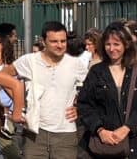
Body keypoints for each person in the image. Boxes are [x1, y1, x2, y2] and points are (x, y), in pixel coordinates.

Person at [76, 24, 137, 158]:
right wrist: (100, 130)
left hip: (135, 145)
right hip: (102, 146)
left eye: (116, 44)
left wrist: (127, 127)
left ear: (126, 45)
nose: (112, 48)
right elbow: (85, 105)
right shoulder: (97, 71)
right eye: (108, 44)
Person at [8, 21, 86, 158]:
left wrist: (79, 107)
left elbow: (93, 90)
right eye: (54, 41)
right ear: (44, 41)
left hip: (66, 134)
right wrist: (18, 103)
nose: (60, 45)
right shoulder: (29, 61)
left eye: (63, 41)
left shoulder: (75, 64)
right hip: (34, 133)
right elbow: (1, 76)